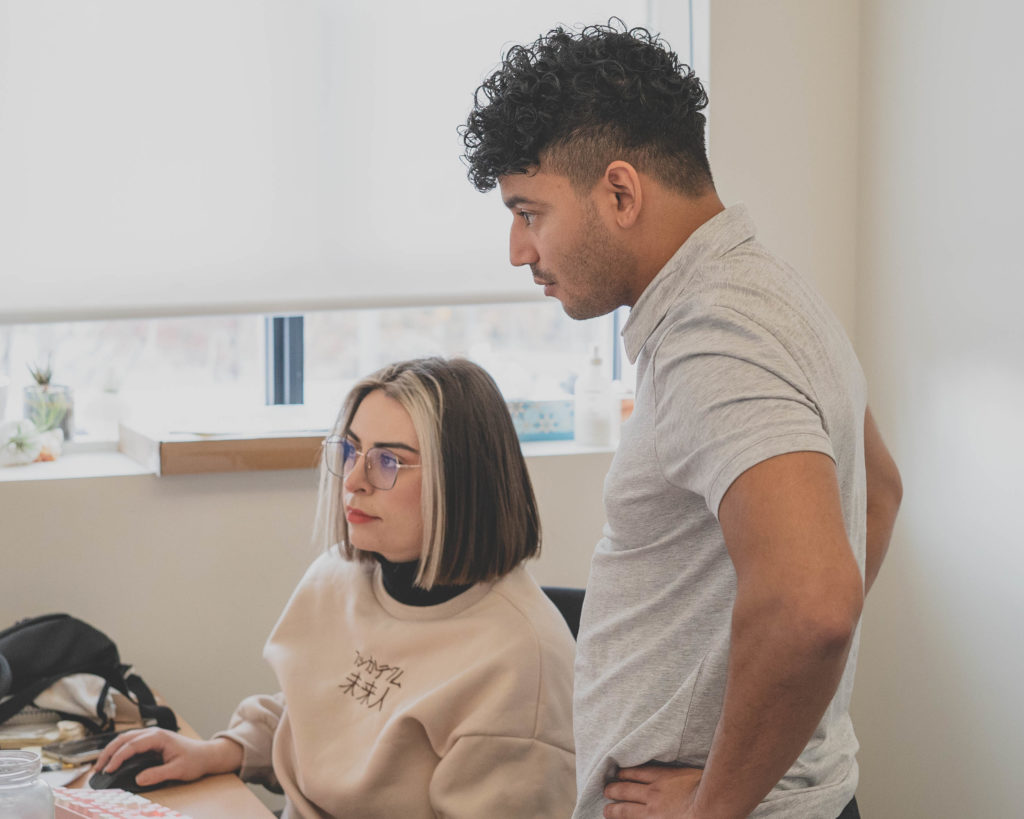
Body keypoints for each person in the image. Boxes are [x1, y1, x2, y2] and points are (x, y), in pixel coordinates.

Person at [461, 20, 902, 819]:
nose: (518, 250)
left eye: (530, 212)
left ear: (621, 193)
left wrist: (714, 803)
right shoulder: (766, 289)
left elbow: (813, 604)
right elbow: (878, 493)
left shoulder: (715, 334)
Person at [93, 357, 577, 818]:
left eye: (388, 461)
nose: (353, 479)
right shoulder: (340, 575)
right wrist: (219, 751)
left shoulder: (520, 663)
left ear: (463, 481)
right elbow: (315, 710)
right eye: (350, 450)